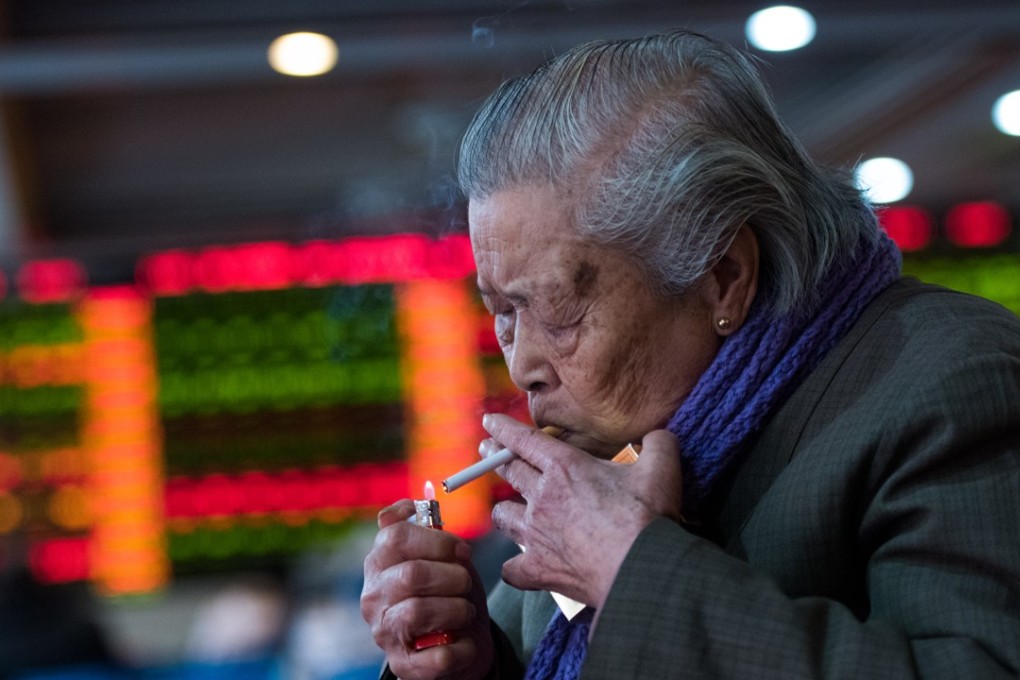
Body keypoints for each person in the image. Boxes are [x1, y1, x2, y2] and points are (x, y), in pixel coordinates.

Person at [360, 29, 1020, 680]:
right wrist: (469, 664)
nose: (522, 366)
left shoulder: (952, 382)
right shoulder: (610, 455)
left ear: (724, 276)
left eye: (558, 309)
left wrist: (629, 567)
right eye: (504, 313)